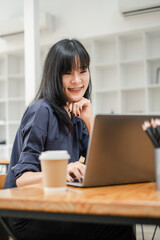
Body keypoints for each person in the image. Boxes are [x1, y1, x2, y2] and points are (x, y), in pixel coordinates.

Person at [4, 39, 136, 240]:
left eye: (83, 71)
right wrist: (61, 172)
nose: (77, 80)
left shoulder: (77, 113)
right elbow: (23, 179)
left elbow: (100, 168)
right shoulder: (41, 111)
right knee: (117, 227)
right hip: (27, 213)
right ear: (54, 76)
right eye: (68, 72)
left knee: (119, 222)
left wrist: (90, 121)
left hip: (58, 205)